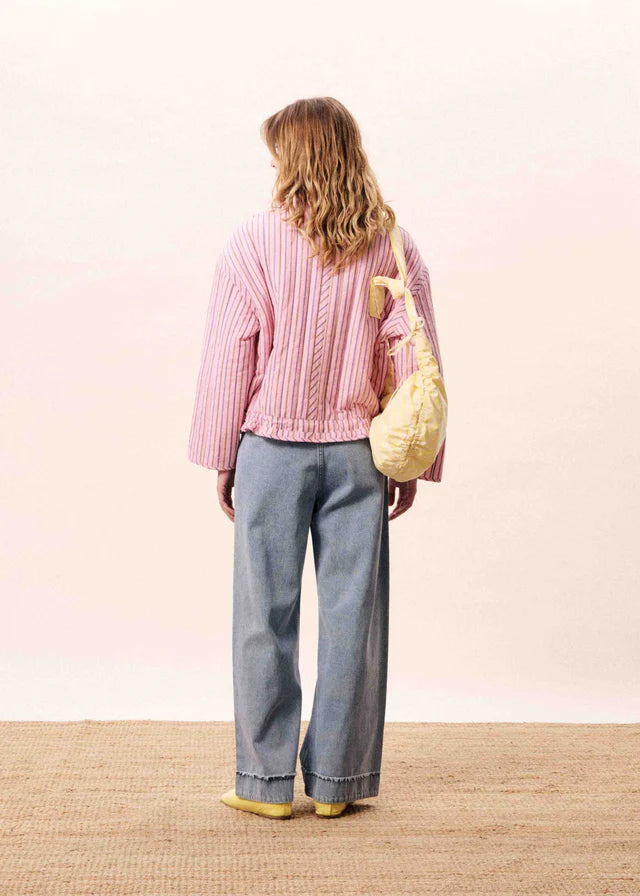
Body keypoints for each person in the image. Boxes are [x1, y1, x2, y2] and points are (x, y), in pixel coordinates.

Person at [187, 97, 446, 820]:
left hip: (271, 451)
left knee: (261, 617)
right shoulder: (392, 244)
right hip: (360, 455)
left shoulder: (253, 242)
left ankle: (264, 785)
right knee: (352, 619)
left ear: (294, 158)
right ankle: (336, 784)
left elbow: (229, 356)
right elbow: (415, 355)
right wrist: (415, 462)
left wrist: (222, 454)